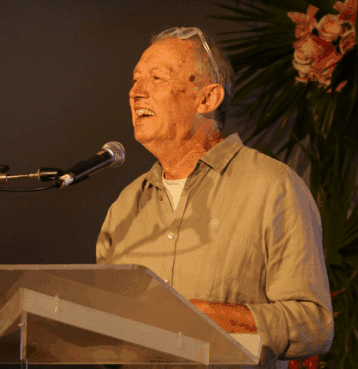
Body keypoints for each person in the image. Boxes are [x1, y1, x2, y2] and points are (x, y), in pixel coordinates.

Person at [95, 27, 334, 369]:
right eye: (135, 80)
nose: (136, 92)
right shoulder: (125, 207)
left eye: (156, 78)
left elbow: (313, 326)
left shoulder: (273, 187)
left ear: (207, 99)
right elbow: (106, 335)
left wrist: (207, 317)